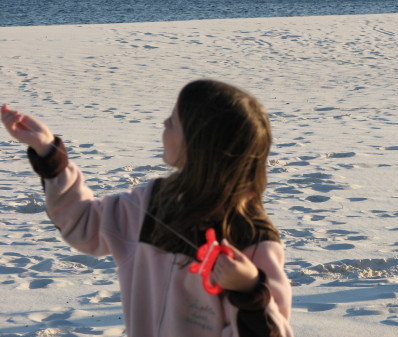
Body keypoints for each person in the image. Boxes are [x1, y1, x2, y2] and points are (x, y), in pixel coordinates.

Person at [1, 79, 293, 337]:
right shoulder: (151, 201)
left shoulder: (251, 238)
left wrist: (250, 290)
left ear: (199, 146)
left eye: (173, 121)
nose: (163, 124)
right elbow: (84, 225)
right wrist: (48, 152)